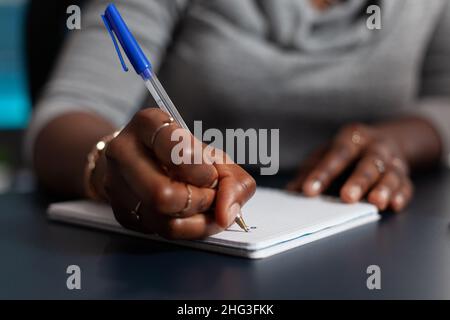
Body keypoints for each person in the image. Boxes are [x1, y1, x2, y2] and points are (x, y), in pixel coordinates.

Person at [26, 0, 450, 239]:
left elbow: (443, 97)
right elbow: (65, 114)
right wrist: (108, 162)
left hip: (373, 231)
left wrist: (399, 141)